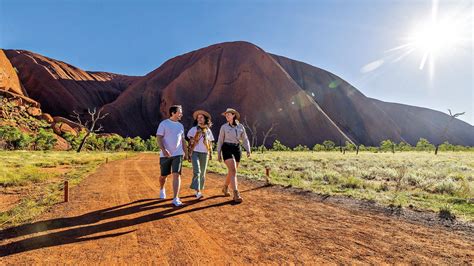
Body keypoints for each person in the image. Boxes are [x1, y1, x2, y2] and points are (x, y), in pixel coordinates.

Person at [156, 105, 188, 207]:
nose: (181, 114)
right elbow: (159, 138)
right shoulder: (164, 124)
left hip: (178, 154)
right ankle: (162, 188)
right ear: (173, 113)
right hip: (165, 155)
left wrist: (186, 153)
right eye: (179, 112)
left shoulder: (180, 126)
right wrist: (164, 150)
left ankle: (175, 198)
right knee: (163, 176)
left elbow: (182, 140)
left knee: (176, 174)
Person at [216, 108, 251, 203]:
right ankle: (236, 193)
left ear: (233, 115)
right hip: (226, 148)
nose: (227, 116)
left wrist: (248, 149)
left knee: (232, 171)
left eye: (228, 114)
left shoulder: (240, 127)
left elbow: (245, 139)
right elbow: (220, 140)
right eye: (226, 115)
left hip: (237, 148)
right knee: (233, 170)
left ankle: (225, 187)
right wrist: (218, 153)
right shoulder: (224, 127)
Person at [187, 110, 214, 199]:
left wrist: (210, 153)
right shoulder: (193, 129)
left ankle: (199, 189)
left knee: (202, 173)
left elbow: (210, 143)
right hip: (195, 153)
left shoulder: (208, 130)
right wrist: (189, 153)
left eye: (201, 117)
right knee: (197, 171)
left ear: (205, 119)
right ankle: (198, 191)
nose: (199, 119)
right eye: (198, 118)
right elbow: (190, 142)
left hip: (205, 153)